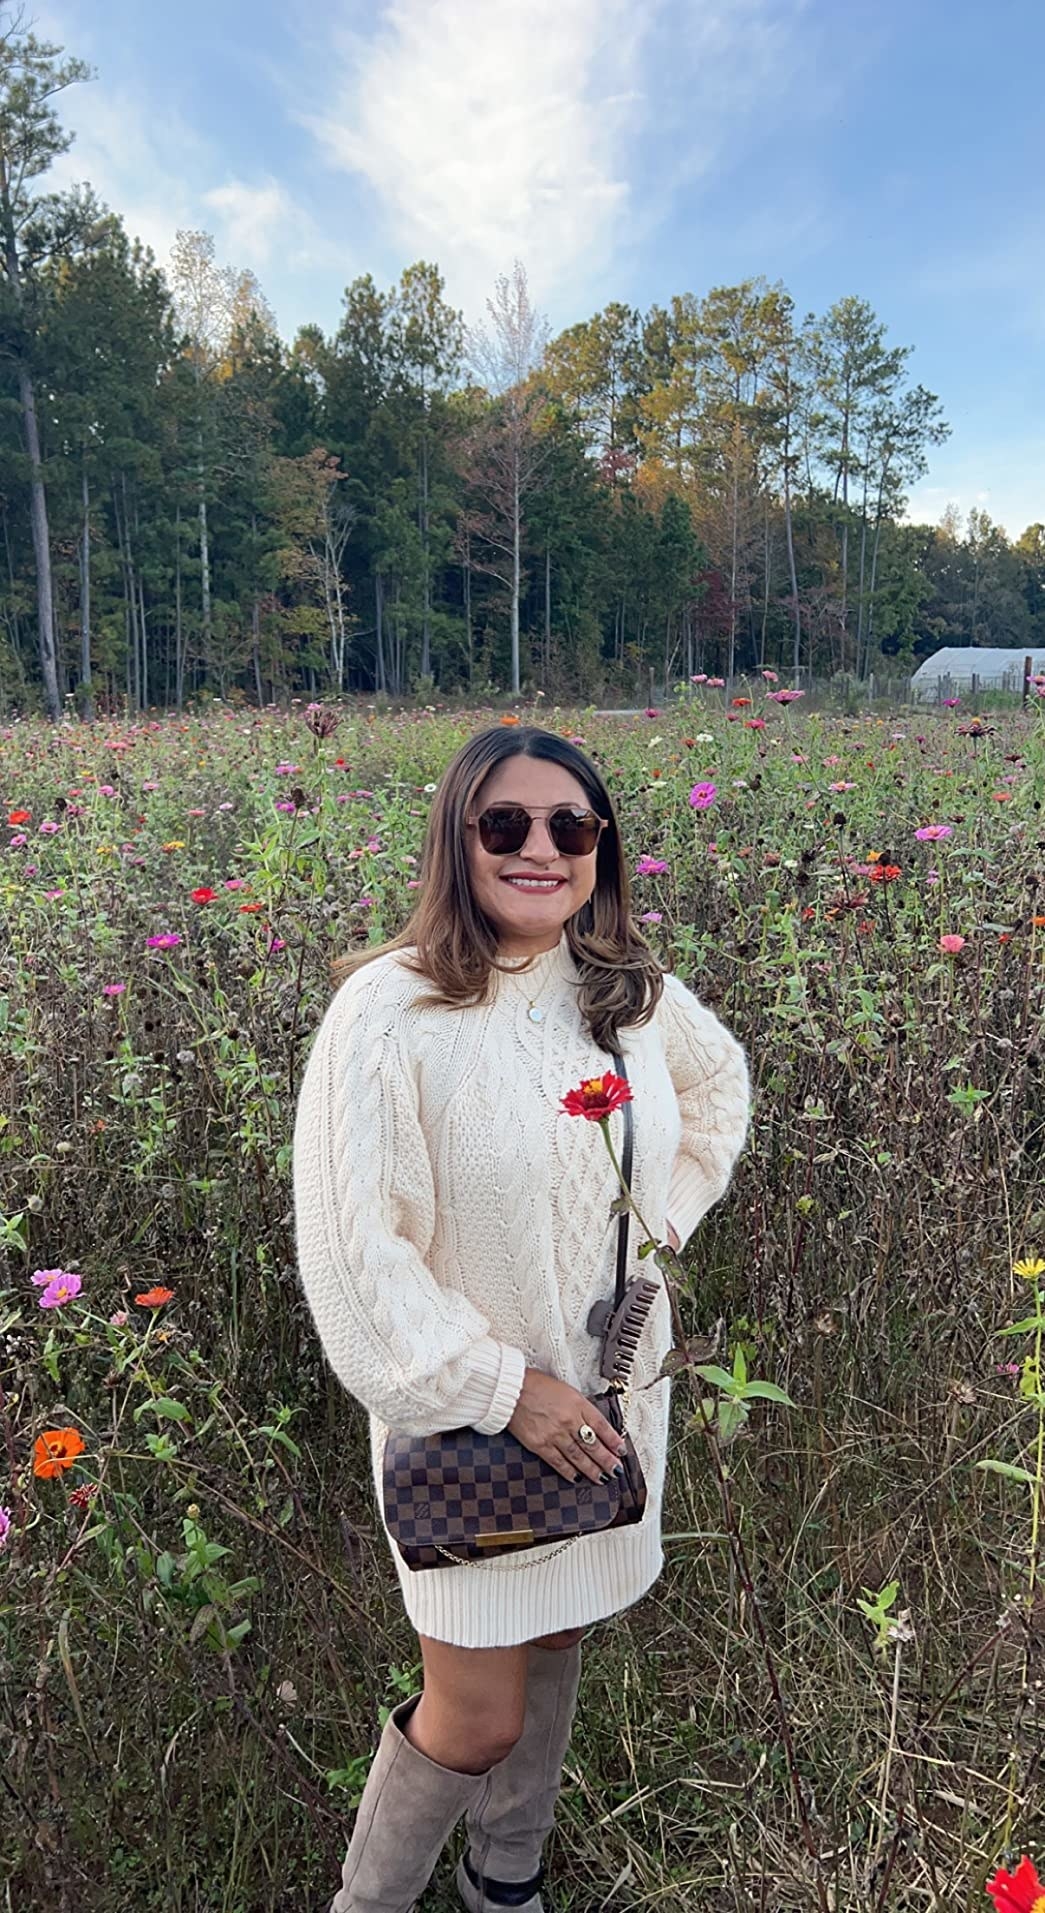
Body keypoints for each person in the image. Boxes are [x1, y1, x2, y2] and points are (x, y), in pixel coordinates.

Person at [292, 723, 751, 1913]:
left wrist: (655, 1241)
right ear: (459, 839)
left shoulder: (627, 993)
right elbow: (357, 1257)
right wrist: (507, 1390)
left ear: (601, 844)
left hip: (607, 1409)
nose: (540, 848)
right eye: (507, 824)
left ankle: (507, 1879)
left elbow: (717, 1093)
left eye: (571, 825)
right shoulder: (390, 1011)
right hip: (469, 1426)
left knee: (561, 1636)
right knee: (476, 1713)